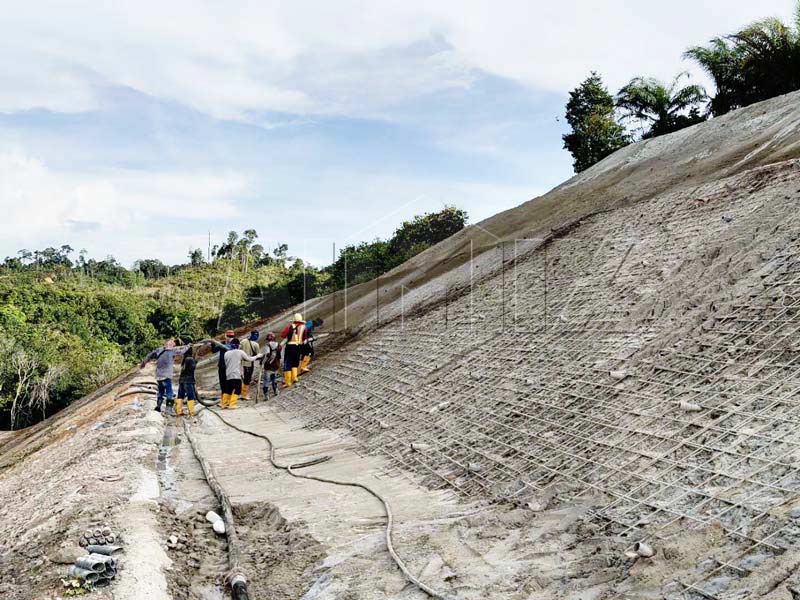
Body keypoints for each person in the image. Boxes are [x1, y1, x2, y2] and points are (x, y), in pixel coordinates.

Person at [207, 338, 264, 409]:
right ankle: (232, 404)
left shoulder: (226, 354)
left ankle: (224, 404)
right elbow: (249, 359)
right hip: (236, 375)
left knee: (228, 390)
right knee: (238, 389)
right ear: (237, 345)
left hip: (228, 374)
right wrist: (257, 356)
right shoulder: (240, 352)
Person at [139, 339, 192, 413]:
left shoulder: (159, 350)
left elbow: (150, 355)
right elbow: (182, 351)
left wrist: (144, 362)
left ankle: (158, 407)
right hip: (166, 376)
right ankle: (168, 409)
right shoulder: (172, 351)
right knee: (169, 393)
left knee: (160, 392)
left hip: (159, 376)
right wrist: (188, 346)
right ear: (172, 346)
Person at [281, 313, 307, 387]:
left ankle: (288, 382)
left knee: (288, 363)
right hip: (298, 346)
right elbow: (304, 338)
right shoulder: (304, 327)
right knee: (295, 362)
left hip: (290, 346)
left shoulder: (289, 326)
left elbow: (283, 335)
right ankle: (295, 378)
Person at [213, 330, 236, 401]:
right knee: (222, 383)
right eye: (229, 336)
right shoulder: (222, 343)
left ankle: (228, 400)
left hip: (230, 367)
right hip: (222, 366)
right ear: (226, 336)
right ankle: (224, 400)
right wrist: (213, 343)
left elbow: (229, 348)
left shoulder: (235, 344)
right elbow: (214, 350)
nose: (230, 338)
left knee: (229, 383)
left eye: (231, 337)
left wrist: (219, 344)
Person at [175, 346, 198, 417]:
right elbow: (192, 368)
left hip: (182, 380)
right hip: (188, 380)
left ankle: (179, 411)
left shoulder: (184, 359)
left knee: (180, 396)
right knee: (190, 396)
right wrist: (196, 361)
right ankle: (191, 412)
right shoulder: (190, 359)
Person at [239, 330, 260, 399]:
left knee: (245, 378)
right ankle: (244, 395)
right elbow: (258, 355)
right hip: (249, 364)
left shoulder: (243, 341)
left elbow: (238, 350)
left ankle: (243, 393)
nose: (257, 337)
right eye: (257, 335)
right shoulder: (255, 344)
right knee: (247, 379)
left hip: (242, 363)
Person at [260, 332, 282, 398]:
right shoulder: (279, 345)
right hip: (276, 365)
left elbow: (266, 356)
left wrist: (262, 362)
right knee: (274, 378)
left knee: (266, 380)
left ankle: (266, 395)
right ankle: (276, 391)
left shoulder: (267, 346)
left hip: (268, 366)